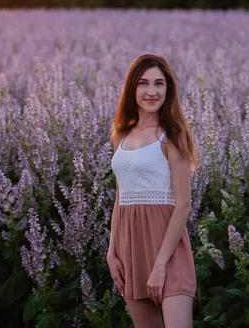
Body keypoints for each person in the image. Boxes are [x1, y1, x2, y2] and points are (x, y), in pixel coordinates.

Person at [108, 53, 197, 328]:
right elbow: (120, 196)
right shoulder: (121, 134)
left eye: (159, 84)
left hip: (167, 253)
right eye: (144, 83)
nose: (151, 91)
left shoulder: (172, 134)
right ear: (132, 88)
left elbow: (183, 205)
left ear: (168, 89)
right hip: (130, 251)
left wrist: (160, 265)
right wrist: (112, 252)